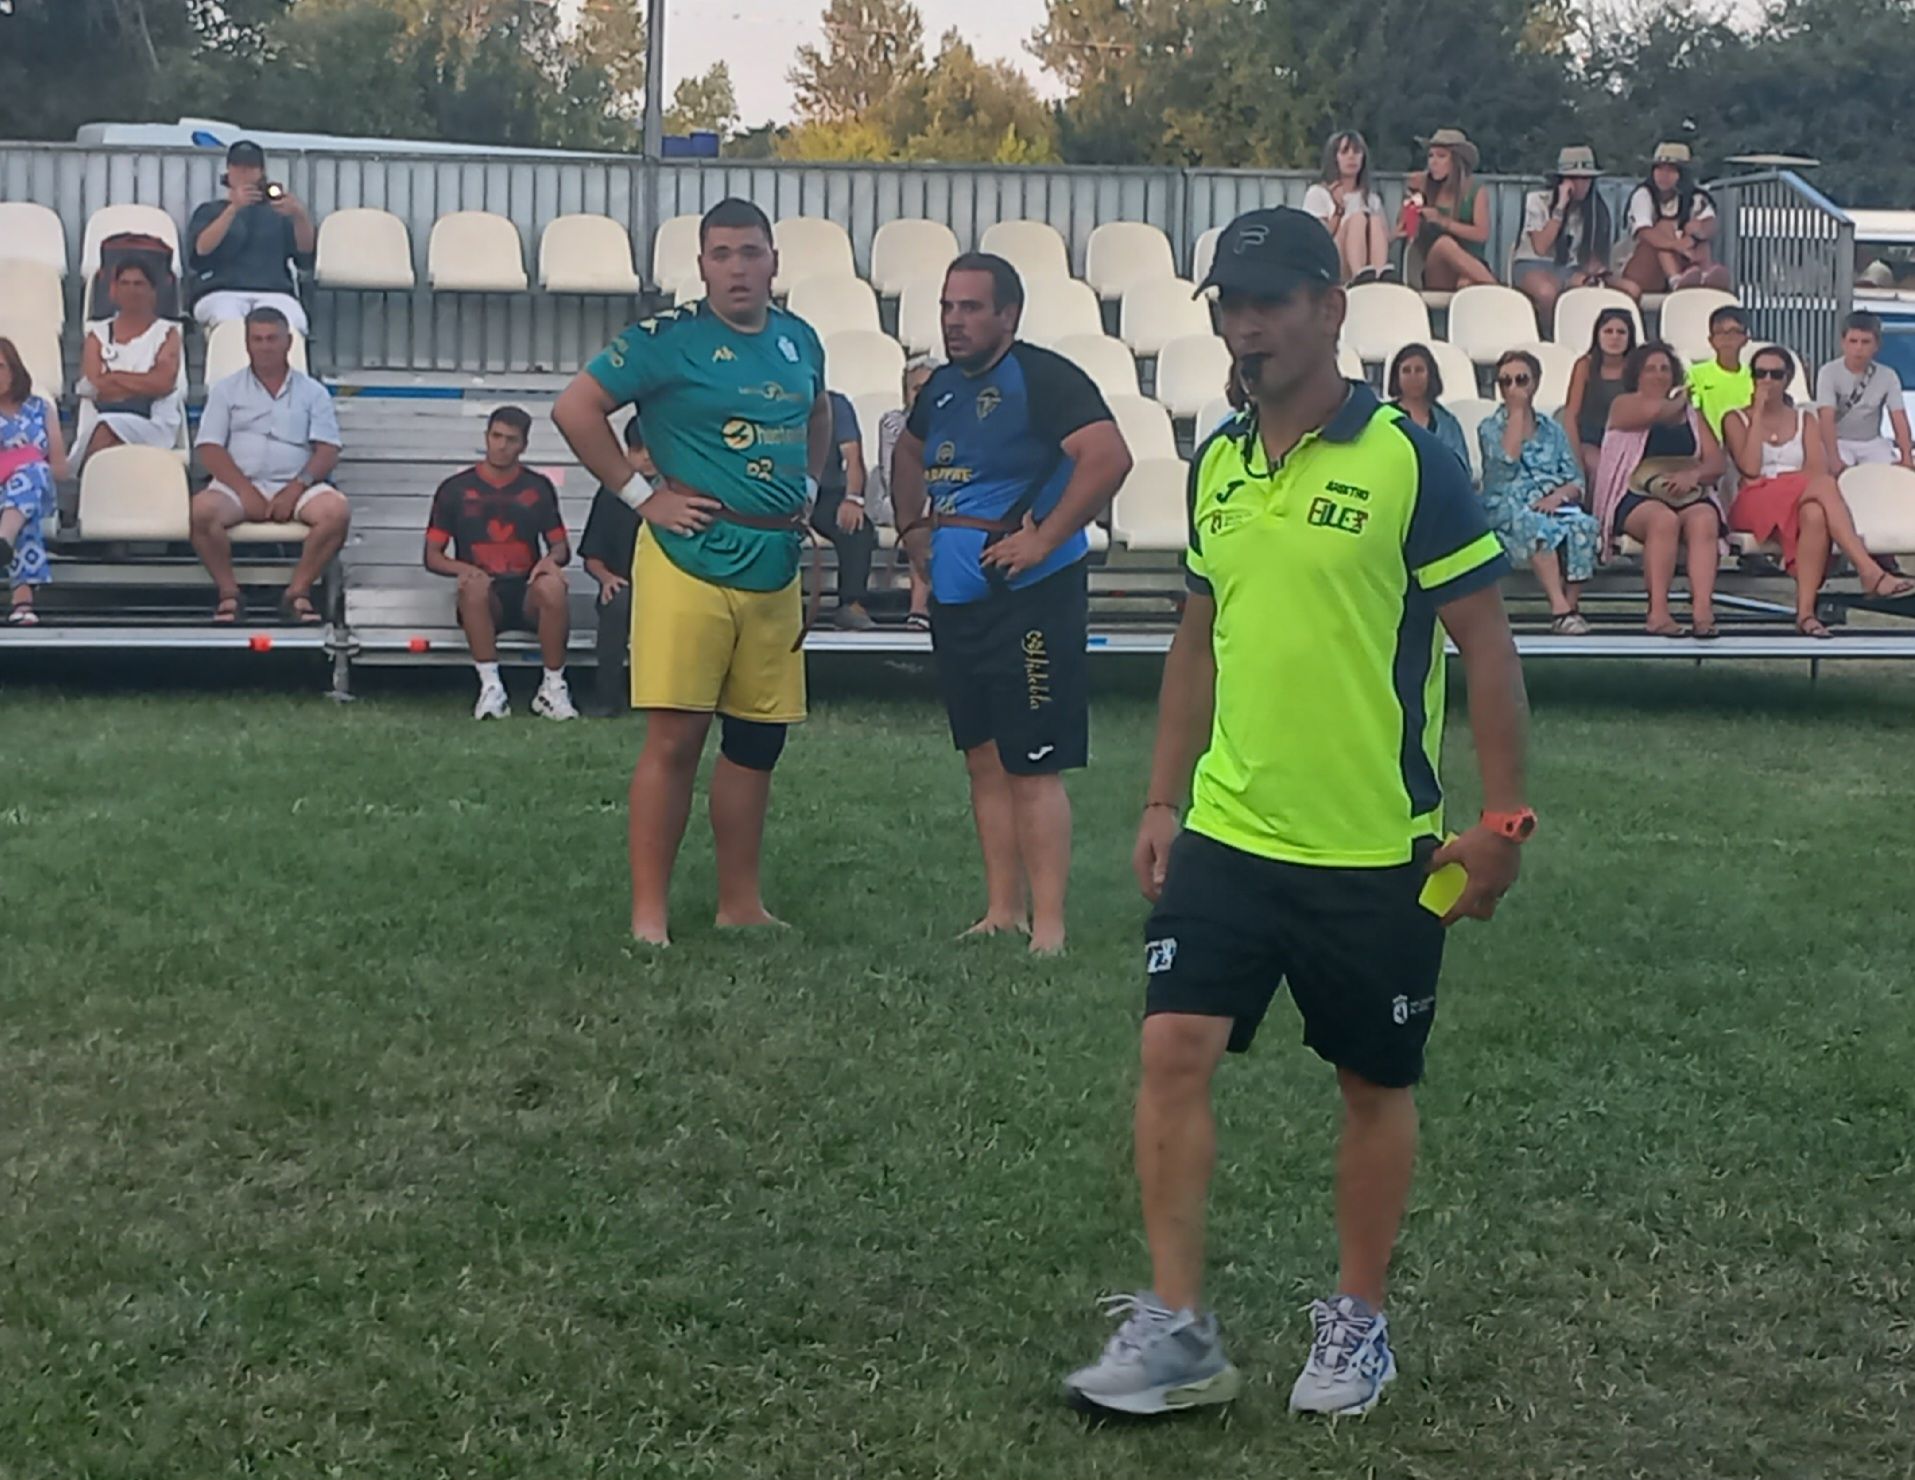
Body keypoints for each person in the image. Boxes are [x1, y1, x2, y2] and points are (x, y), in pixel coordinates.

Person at [1062, 207, 1530, 1420]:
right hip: (1229, 831)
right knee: (1171, 1048)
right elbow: (1197, 637)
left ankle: (1358, 1318)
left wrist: (1502, 822)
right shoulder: (1216, 462)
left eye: (1270, 301)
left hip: (1379, 849)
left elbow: (1486, 645)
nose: (1246, 325)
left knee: (1372, 1080)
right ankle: (1178, 1329)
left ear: (1331, 308)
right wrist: (1162, 797)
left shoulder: (1411, 461)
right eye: (1231, 304)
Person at [550, 198, 830, 948]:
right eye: (721, 254)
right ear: (701, 265)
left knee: (757, 742)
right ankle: (649, 916)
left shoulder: (800, 340)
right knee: (676, 740)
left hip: (774, 564)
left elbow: (819, 414)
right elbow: (575, 409)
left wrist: (809, 485)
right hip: (690, 562)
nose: (737, 268)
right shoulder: (667, 340)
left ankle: (740, 902)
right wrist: (643, 497)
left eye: (750, 252)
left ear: (774, 261)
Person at [890, 253, 1133, 956]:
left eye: (970, 307)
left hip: (1031, 600)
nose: (954, 321)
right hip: (957, 600)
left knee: (1033, 762)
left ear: (1008, 314)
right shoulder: (938, 389)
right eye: (947, 307)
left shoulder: (1046, 377)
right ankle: (1002, 911)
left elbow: (1109, 457)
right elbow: (906, 457)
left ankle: (1049, 926)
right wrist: (912, 534)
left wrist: (1045, 539)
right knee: (983, 758)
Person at [1725, 346, 1914, 637]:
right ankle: (1868, 570)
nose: (1767, 381)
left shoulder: (1805, 420)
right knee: (1824, 487)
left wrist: (1790, 481)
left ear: (1787, 379)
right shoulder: (1735, 419)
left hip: (1799, 494)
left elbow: (1815, 470)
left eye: (1775, 374)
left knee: (1814, 514)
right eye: (1760, 374)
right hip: (1755, 498)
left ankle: (1805, 614)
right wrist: (1758, 413)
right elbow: (1750, 468)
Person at [190, 307, 350, 626]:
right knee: (201, 512)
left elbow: (327, 450)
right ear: (247, 344)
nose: (265, 346)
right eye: (257, 339)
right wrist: (244, 490)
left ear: (288, 342)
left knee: (337, 512)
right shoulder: (225, 390)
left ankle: (298, 593)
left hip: (297, 485)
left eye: (272, 339)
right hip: (238, 485)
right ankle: (229, 594)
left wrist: (297, 487)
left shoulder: (313, 392)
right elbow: (209, 448)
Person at [424, 406, 578, 720]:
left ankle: (553, 688)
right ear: (486, 437)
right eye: (496, 436)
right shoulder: (455, 489)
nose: (501, 446)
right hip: (485, 595)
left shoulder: (537, 487)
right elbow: (432, 556)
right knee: (473, 587)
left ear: (524, 445)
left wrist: (550, 561)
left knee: (553, 585)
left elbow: (561, 547)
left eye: (511, 439)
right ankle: (491, 688)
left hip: (527, 592)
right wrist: (464, 569)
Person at [1591, 343, 1728, 638]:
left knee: (1704, 519)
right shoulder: (1624, 405)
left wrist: (1694, 475)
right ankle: (1658, 613)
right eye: (1650, 369)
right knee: (1663, 520)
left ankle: (1703, 612)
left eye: (1665, 368)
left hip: (1686, 492)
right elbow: (1656, 412)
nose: (1658, 374)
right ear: (1637, 375)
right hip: (1636, 492)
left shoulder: (1692, 416)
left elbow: (1716, 461)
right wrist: (1682, 398)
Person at [1479, 349, 1598, 634]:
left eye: (1521, 379)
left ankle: (1570, 608)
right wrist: (1517, 414)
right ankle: (1560, 608)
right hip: (1508, 506)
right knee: (1536, 526)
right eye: (1505, 381)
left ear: (1535, 383)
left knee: (1585, 525)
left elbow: (1574, 479)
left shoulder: (1552, 430)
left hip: (1552, 504)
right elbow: (1507, 462)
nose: (1513, 387)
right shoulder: (1489, 428)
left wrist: (1557, 497)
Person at [186, 140, 316, 335]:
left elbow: (305, 255)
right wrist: (233, 209)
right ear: (228, 171)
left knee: (290, 325)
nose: (244, 173)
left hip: (274, 291)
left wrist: (299, 215)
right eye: (237, 167)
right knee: (230, 327)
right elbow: (201, 250)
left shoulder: (280, 211)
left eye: (250, 167)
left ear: (261, 172)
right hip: (220, 290)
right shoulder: (210, 210)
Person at [74, 257, 184, 467]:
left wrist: (114, 377)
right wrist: (144, 383)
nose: (131, 290)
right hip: (102, 415)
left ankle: (89, 481)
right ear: (113, 291)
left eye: (138, 284)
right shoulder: (97, 334)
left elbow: (163, 383)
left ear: (152, 292)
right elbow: (94, 385)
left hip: (153, 421)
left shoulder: (167, 333)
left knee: (106, 431)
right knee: (107, 432)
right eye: (124, 283)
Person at [577, 416, 651, 716]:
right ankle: (608, 698)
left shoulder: (678, 494)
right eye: (638, 449)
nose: (646, 457)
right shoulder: (611, 494)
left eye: (653, 449)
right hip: (625, 584)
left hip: (670, 585)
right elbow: (591, 555)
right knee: (617, 601)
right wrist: (606, 578)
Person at [1512, 146, 1631, 333]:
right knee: (1547, 293)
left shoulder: (1594, 210)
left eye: (1586, 179)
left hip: (1570, 268)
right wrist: (1560, 206)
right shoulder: (1538, 200)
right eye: (1574, 178)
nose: (1581, 184)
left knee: (1596, 290)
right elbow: (1540, 247)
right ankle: (1549, 337)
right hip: (1533, 264)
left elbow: (1592, 257)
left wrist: (1597, 273)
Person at [0, 337, 69, 626]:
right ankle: (22, 602)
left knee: (33, 474)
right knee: (23, 510)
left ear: (14, 369)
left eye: (0, 367)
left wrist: (24, 465)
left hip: (39, 489)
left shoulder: (41, 409)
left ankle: (4, 538)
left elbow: (60, 470)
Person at [869, 354, 940, 631]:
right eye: (916, 388)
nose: (922, 395)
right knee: (921, 514)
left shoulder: (956, 422)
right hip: (895, 499)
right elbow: (893, 477)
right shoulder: (892, 423)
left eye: (928, 388)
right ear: (905, 393)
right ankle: (919, 607)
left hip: (938, 497)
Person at [1621, 143, 1730, 295]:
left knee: (1699, 236)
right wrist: (1676, 245)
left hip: (1683, 261)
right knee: (1663, 228)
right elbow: (1644, 232)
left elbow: (1710, 224)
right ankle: (1676, 280)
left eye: (1671, 170)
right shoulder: (1643, 195)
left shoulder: (1695, 198)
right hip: (1643, 268)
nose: (1663, 175)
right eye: (1659, 169)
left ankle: (1704, 277)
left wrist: (1694, 235)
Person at [1399, 128, 1497, 290]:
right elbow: (1404, 228)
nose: (1433, 162)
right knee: (1444, 244)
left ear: (1457, 161)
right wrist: (1410, 195)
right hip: (1435, 266)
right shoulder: (1424, 186)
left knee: (1466, 283)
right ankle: (1500, 291)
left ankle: (1497, 293)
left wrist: (1442, 221)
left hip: (1471, 264)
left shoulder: (1475, 189)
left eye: (1441, 156)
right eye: (1431, 156)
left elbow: (1481, 234)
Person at [812, 390, 878, 631]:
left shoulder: (836, 405)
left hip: (824, 493)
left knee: (858, 528)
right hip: (781, 488)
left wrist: (853, 499)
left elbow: (852, 457)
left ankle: (851, 605)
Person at [1816, 312, 1914, 471]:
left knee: (1890, 474)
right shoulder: (1828, 372)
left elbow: (1898, 417)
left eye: (1865, 342)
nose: (1858, 348)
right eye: (1853, 341)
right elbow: (1826, 418)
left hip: (1872, 442)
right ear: (1843, 343)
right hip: (1839, 441)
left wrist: (1906, 457)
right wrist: (1833, 459)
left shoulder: (1888, 375)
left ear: (1877, 345)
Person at [1303, 130, 1392, 285]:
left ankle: (1378, 277)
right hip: (1331, 264)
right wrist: (1339, 210)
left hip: (1368, 260)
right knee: (1358, 218)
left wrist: (1398, 231)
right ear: (1334, 158)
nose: (1351, 157)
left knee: (1375, 219)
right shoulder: (1318, 193)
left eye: (1356, 152)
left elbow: (1381, 241)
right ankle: (1359, 277)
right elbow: (1317, 240)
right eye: (1344, 152)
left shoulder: (1371, 199)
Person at [1562, 307, 1637, 485]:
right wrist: (1576, 458)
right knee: (1600, 470)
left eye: (1621, 332)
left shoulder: (1637, 368)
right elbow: (1571, 415)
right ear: (1598, 334)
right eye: (1608, 331)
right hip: (1590, 441)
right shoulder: (1584, 366)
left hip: (1625, 441)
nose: (1615, 337)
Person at [1386, 344, 1471, 473]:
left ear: (1430, 375)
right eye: (1406, 371)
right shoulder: (1382, 418)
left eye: (1419, 370)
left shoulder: (1447, 423)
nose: (1413, 377)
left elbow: (1461, 472)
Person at [1685, 306, 1754, 439]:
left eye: (1734, 332)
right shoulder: (1694, 374)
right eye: (1720, 332)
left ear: (1745, 339)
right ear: (1711, 340)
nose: (1727, 338)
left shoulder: (1755, 377)